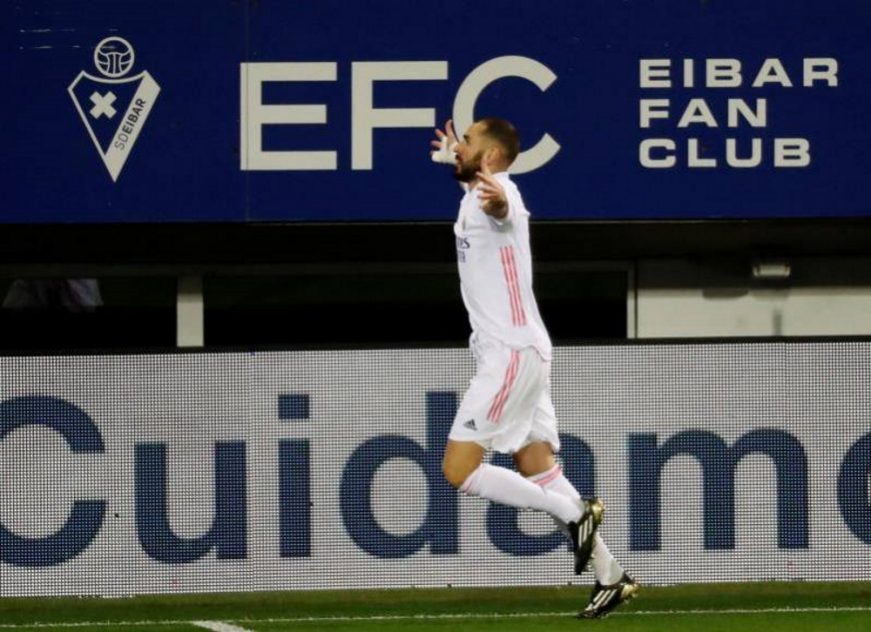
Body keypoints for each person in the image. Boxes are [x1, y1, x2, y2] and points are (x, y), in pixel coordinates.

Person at [430, 117, 637, 618]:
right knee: (534, 464)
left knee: (458, 470)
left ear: (493, 159)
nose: (460, 147)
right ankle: (611, 577)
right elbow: (480, 182)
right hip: (523, 351)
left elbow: (500, 205)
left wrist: (494, 192)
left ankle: (573, 511)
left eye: (471, 143)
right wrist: (457, 157)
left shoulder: (501, 193)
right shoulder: (478, 188)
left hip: (510, 356)